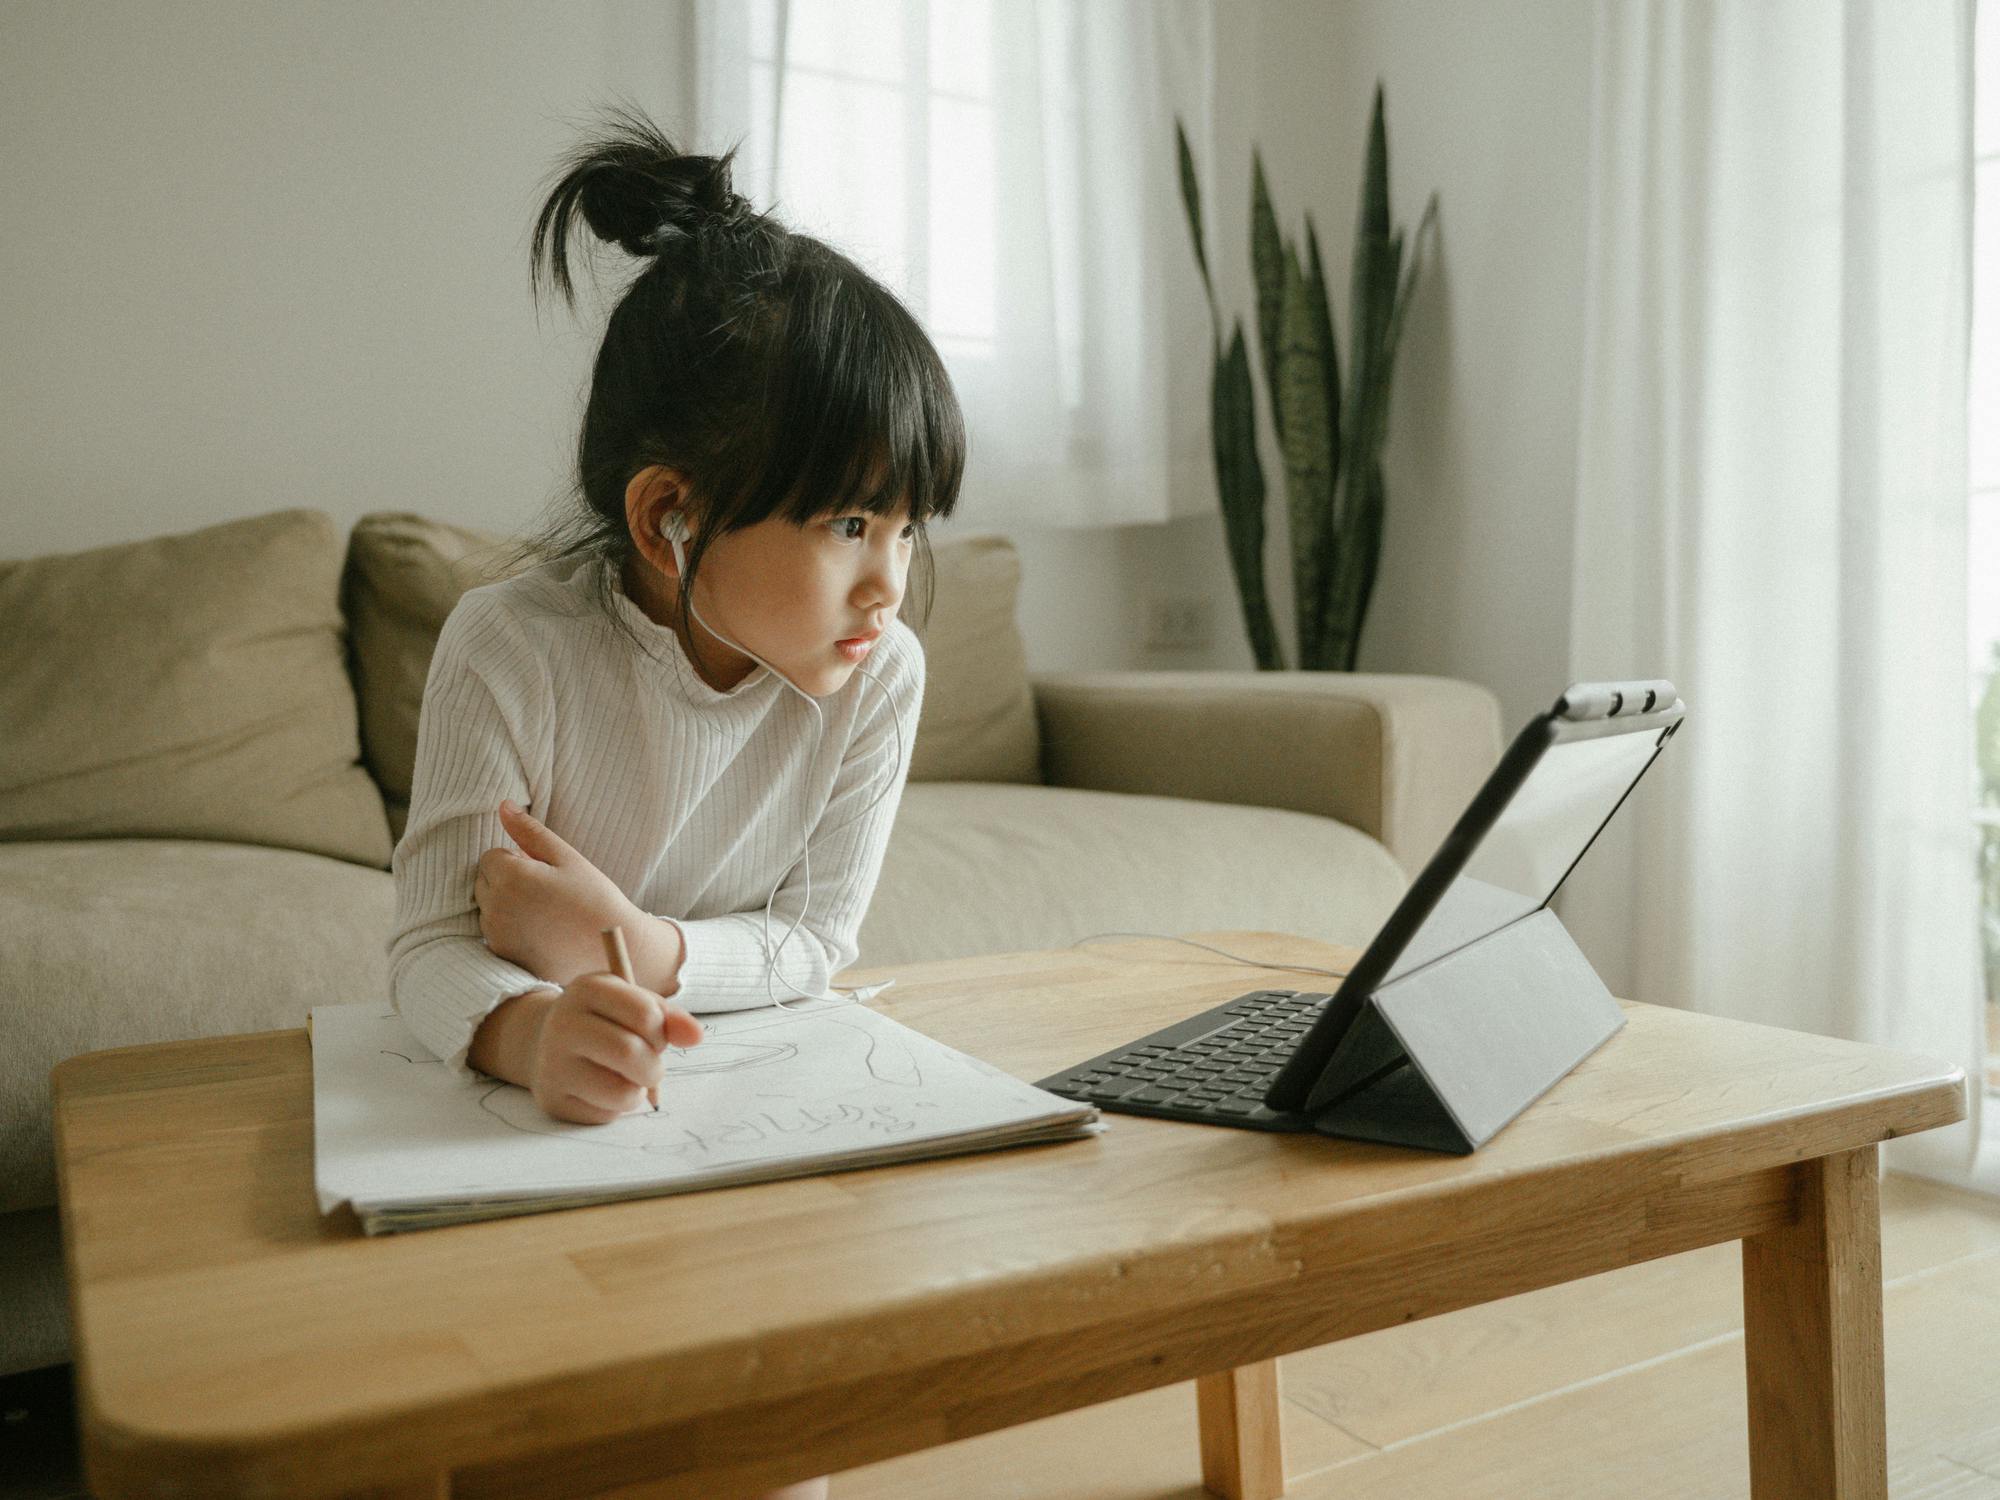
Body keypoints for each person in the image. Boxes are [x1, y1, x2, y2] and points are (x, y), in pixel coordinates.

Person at [388, 105, 962, 1494]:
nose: (887, 583)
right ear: (668, 518)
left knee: (781, 1426)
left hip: (761, 1123)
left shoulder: (878, 674)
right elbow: (424, 953)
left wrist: (637, 946)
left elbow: (822, 945)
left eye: (903, 527)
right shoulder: (512, 646)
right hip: (565, 1139)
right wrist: (527, 1032)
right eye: (846, 525)